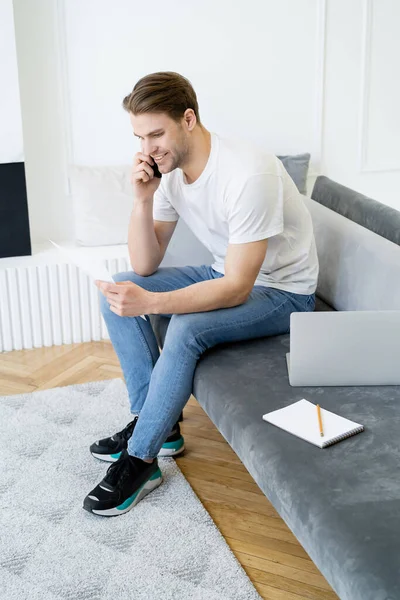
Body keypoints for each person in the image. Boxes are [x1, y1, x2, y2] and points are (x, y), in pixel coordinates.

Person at [83, 71, 319, 517]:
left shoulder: (249, 172)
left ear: (188, 119)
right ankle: (156, 425)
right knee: (118, 290)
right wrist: (142, 200)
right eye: (139, 137)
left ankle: (141, 460)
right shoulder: (167, 171)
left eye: (156, 134)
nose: (147, 149)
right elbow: (146, 265)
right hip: (222, 270)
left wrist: (152, 303)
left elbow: (237, 287)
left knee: (184, 327)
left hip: (285, 292)